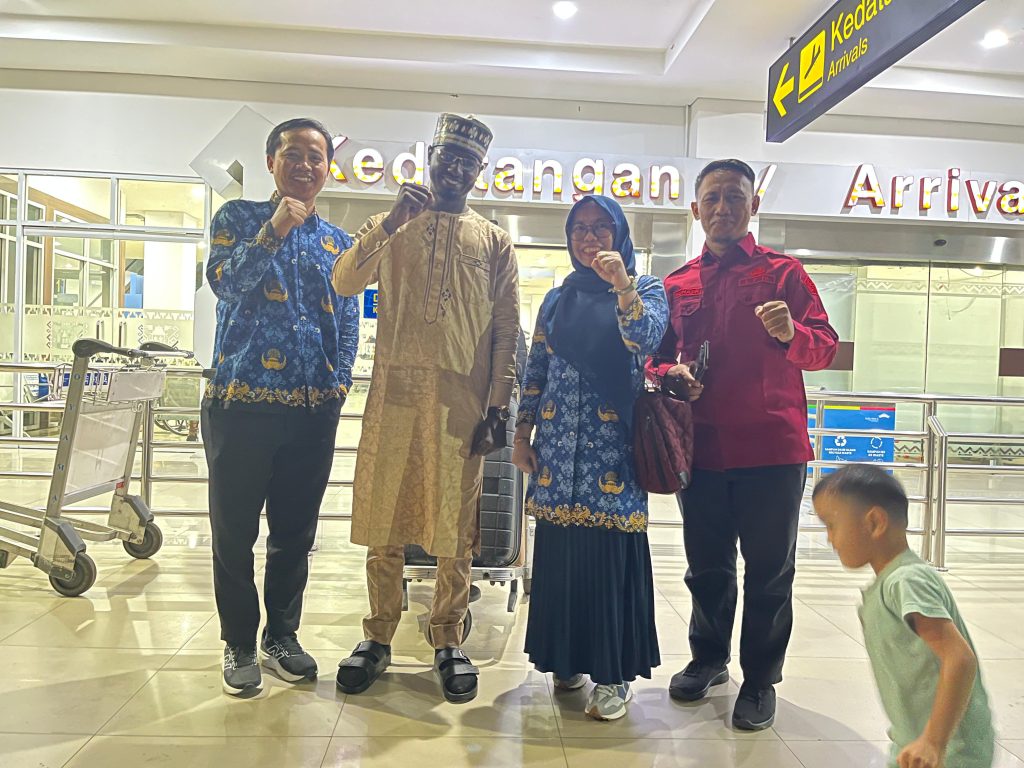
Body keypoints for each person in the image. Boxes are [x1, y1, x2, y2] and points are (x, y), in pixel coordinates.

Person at [332, 114, 520, 704]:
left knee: (455, 526)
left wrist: (498, 406)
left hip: (460, 405)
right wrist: (391, 222)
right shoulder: (391, 222)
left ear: (479, 171)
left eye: (468, 162)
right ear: (430, 158)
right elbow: (344, 282)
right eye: (448, 157)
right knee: (384, 516)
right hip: (393, 396)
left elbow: (506, 329)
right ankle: (378, 635)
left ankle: (447, 637)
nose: (456, 169)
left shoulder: (493, 241)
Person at [646, 158, 838, 729]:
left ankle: (760, 679)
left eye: (734, 197)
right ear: (695, 209)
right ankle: (709, 659)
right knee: (706, 567)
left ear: (753, 205)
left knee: (770, 572)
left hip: (773, 451)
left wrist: (792, 333)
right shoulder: (677, 284)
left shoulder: (785, 275)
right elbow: (655, 360)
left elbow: (825, 347)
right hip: (701, 451)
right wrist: (671, 375)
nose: (723, 208)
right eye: (712, 198)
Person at [202, 118, 361, 696]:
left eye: (316, 157)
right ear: (271, 161)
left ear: (327, 169)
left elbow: (348, 321)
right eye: (293, 154)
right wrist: (274, 229)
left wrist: (339, 384)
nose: (305, 166)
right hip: (239, 405)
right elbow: (226, 283)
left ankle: (281, 638)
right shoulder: (236, 219)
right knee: (233, 533)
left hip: (311, 412)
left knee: (295, 534)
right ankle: (240, 643)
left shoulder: (338, 243)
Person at [513, 195, 668, 721]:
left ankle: (613, 677)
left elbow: (644, 338)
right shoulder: (556, 300)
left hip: (614, 456)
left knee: (607, 561)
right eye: (580, 228)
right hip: (558, 454)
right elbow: (537, 368)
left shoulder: (646, 288)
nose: (590, 238)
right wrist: (522, 433)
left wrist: (621, 284)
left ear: (619, 233)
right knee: (562, 561)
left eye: (602, 227)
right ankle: (568, 660)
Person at [813, 465, 995, 768]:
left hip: (949, 751)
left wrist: (934, 742)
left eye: (831, 525)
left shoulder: (906, 581)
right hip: (914, 743)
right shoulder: (893, 581)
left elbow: (959, 658)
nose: (830, 539)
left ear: (874, 522)